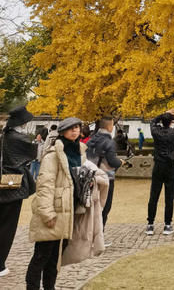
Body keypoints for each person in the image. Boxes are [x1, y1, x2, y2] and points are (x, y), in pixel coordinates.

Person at [26, 117, 84, 289]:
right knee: (41, 256)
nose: (75, 131)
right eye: (71, 128)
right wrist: (47, 212)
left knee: (56, 257)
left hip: (69, 210)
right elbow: (44, 185)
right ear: (62, 132)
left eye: (77, 128)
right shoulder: (53, 154)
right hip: (54, 210)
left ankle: (49, 287)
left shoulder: (79, 151)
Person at [0, 106, 37, 279]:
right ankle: (0, 264)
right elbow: (32, 154)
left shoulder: (4, 136)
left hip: (3, 183)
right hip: (13, 185)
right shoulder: (19, 138)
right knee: (7, 227)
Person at [146, 112, 174, 235]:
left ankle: (150, 224)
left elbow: (152, 122)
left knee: (154, 196)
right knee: (169, 196)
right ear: (171, 122)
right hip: (170, 165)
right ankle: (167, 225)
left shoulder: (156, 132)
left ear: (162, 121)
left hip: (158, 165)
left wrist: (163, 114)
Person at [85, 116, 123, 230]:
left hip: (90, 176)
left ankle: (89, 233)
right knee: (104, 207)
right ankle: (99, 235)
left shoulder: (91, 139)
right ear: (109, 126)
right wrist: (120, 162)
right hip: (105, 177)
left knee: (91, 206)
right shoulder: (109, 142)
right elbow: (112, 161)